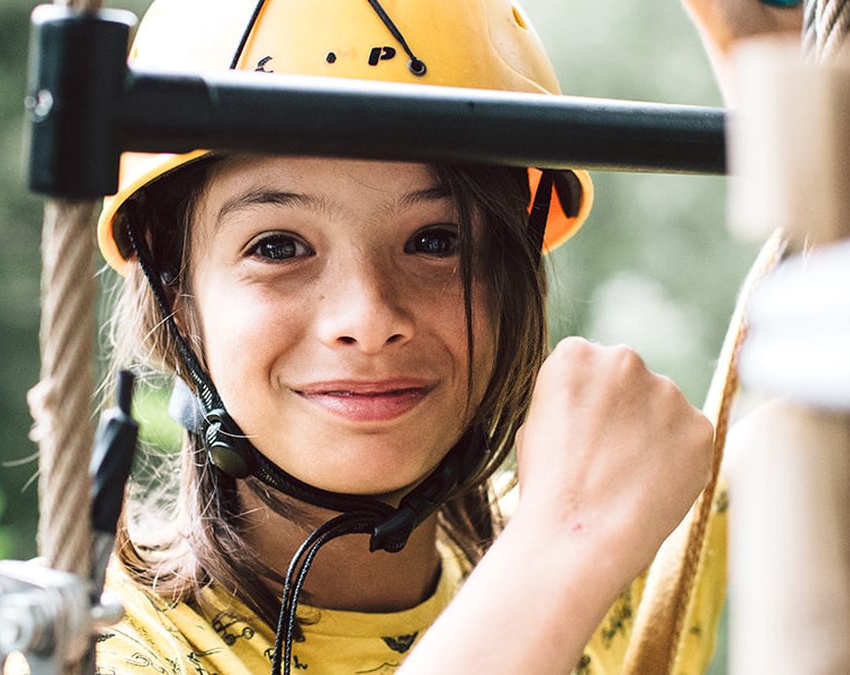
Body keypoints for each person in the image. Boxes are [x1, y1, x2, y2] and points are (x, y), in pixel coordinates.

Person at [90, 1, 804, 673]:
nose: (368, 318)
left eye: (436, 239)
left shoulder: (612, 543)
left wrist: (763, 55)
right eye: (278, 247)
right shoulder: (95, 643)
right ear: (176, 294)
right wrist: (567, 543)